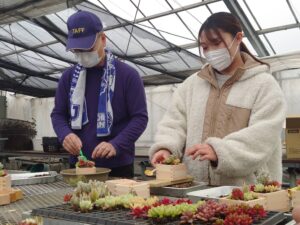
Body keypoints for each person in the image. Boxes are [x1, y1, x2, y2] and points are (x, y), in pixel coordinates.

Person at [149, 12, 286, 186]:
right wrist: (166, 148)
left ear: (238, 38)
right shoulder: (192, 85)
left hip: (248, 194)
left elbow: (263, 135)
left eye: (216, 43)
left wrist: (221, 151)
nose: (211, 52)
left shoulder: (263, 85)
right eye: (205, 47)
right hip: (195, 190)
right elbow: (174, 122)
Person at [51, 10, 148, 178]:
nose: (83, 55)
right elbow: (58, 114)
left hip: (118, 166)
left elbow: (140, 118)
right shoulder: (68, 78)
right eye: (77, 50)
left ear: (103, 39)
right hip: (79, 164)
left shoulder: (127, 75)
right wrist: (65, 134)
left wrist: (116, 144)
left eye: (87, 48)